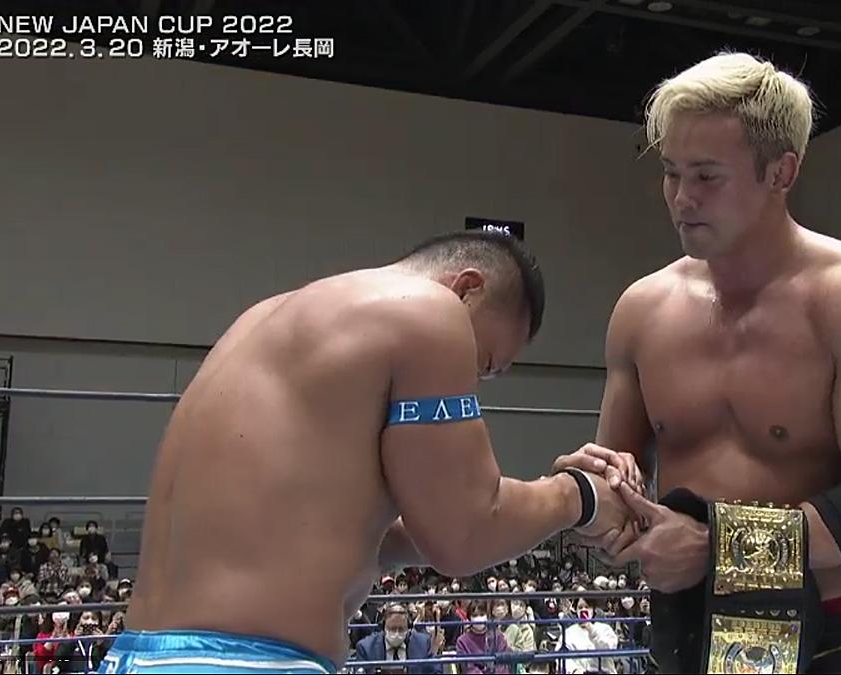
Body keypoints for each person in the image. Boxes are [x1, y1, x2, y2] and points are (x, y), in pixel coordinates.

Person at [554, 51, 841, 673]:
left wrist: (717, 548)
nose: (682, 198)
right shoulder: (642, 310)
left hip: (822, 632)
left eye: (707, 176)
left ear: (781, 172)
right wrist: (594, 500)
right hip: (684, 626)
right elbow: (622, 479)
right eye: (671, 173)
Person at [100, 231, 630, 674]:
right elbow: (464, 535)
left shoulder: (268, 318)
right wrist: (578, 497)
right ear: (467, 289)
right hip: (251, 662)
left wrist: (532, 514)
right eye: (482, 364)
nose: (469, 379)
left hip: (136, 654)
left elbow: (381, 536)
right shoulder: (431, 311)